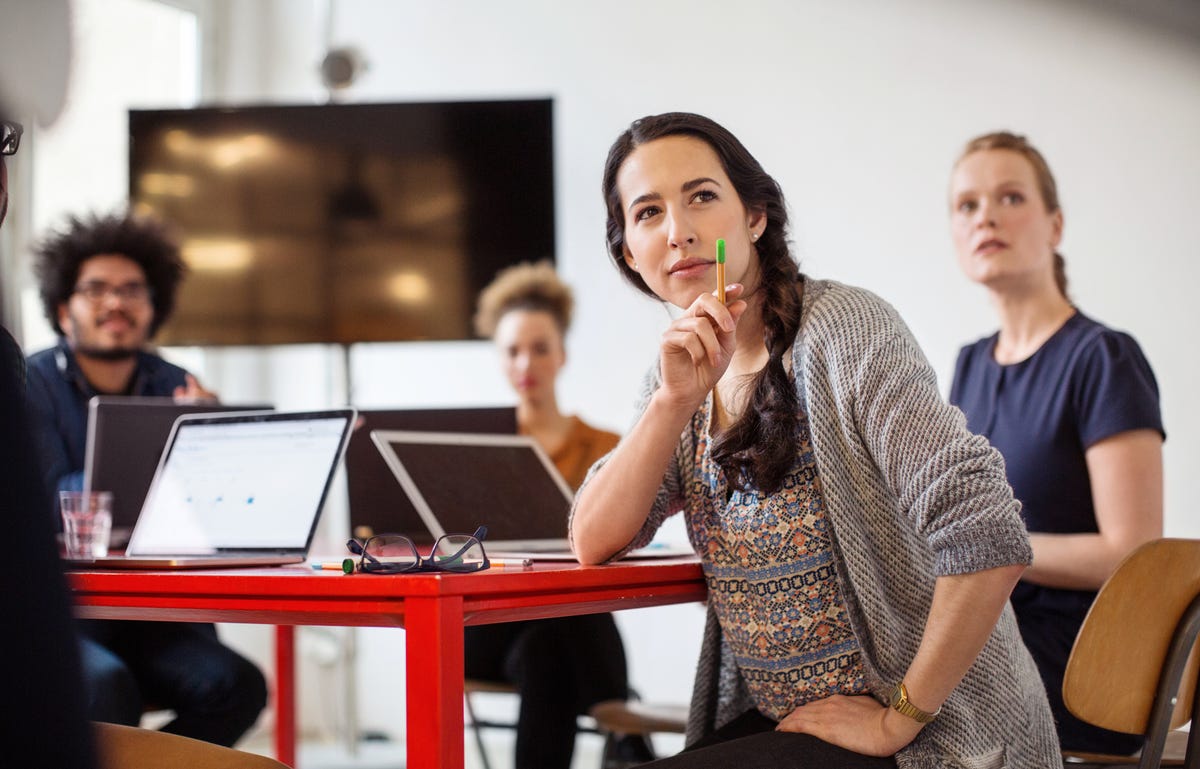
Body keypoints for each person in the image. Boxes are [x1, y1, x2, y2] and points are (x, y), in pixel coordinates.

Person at [570, 112, 1061, 768]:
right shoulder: (678, 378)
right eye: (648, 212)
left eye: (702, 197)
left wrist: (899, 717)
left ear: (755, 217)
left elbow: (988, 530)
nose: (678, 230)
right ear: (630, 252)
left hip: (939, 737)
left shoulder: (845, 330)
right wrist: (671, 402)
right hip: (792, 728)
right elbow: (593, 538)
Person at [947, 131, 1164, 756]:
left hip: (1081, 661)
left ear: (1055, 225)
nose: (985, 215)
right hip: (993, 632)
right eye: (966, 205)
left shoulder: (1103, 358)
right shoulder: (969, 366)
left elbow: (1135, 552)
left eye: (1010, 197)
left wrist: (994, 550)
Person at [24, 209, 268, 747]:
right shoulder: (29, 382)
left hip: (157, 613)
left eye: (133, 290)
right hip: (68, 612)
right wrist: (168, 461)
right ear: (64, 310)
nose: (116, 302)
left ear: (153, 308)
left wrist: (218, 440)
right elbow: (42, 498)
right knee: (107, 689)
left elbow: (226, 509)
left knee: (238, 686)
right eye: (97, 290)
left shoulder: (179, 384)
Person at [463, 260, 653, 769]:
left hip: (557, 629)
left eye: (540, 347)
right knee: (562, 627)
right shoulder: (471, 449)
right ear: (500, 361)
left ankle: (629, 741)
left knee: (549, 644)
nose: (526, 362)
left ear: (562, 354)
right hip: (484, 622)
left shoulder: (609, 449)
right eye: (512, 351)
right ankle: (630, 742)